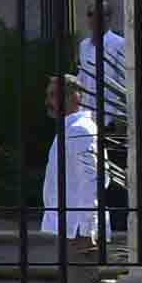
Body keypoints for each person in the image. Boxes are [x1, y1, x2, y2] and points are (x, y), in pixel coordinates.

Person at [34, 75, 102, 242]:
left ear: (74, 98)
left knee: (79, 269)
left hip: (79, 231)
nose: (47, 102)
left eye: (53, 95)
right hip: (70, 228)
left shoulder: (79, 130)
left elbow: (94, 180)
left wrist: (86, 230)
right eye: (48, 95)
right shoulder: (70, 129)